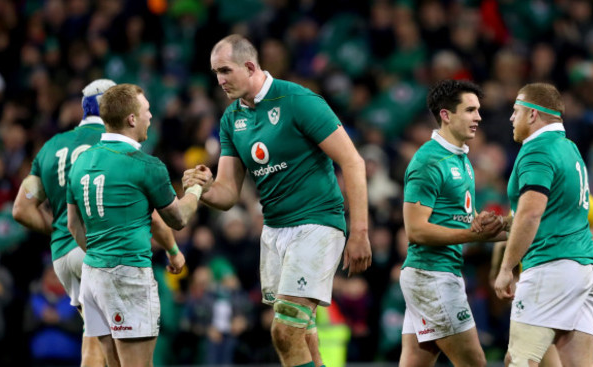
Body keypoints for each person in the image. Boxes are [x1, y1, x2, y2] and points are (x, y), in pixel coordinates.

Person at [185, 34, 371, 367]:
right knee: (303, 335)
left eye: (226, 70)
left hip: (317, 224)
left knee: (284, 331)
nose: (220, 80)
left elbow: (353, 161)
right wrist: (204, 187)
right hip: (274, 233)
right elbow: (227, 193)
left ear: (250, 65)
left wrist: (359, 232)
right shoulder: (231, 120)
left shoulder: (297, 100)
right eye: (215, 72)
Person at [65, 83, 211, 367]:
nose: (151, 116)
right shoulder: (145, 164)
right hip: (127, 277)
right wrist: (195, 189)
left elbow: (73, 225)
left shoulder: (81, 162)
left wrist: (101, 256)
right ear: (132, 119)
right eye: (146, 111)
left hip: (93, 276)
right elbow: (177, 219)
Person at [494, 83, 593, 367]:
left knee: (519, 360)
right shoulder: (570, 148)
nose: (511, 118)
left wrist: (506, 268)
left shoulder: (537, 150)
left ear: (532, 114)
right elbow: (553, 211)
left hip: (551, 264)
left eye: (515, 111)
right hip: (584, 267)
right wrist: (502, 223)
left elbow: (531, 215)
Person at [399, 79, 506, 367]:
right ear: (446, 115)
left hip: (436, 274)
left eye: (479, 110)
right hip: (431, 275)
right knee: (475, 363)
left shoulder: (462, 160)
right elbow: (417, 230)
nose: (478, 117)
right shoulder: (429, 161)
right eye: (470, 110)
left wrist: (518, 228)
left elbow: (467, 227)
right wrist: (472, 234)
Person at [12, 79, 116, 366]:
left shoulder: (51, 147)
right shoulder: (116, 144)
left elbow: (21, 208)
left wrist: (58, 228)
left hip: (64, 257)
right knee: (123, 339)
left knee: (95, 335)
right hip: (100, 250)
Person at [489, 194, 593, 366]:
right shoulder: (532, 190)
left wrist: (570, 249)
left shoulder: (557, 188)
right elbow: (513, 235)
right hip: (554, 276)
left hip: (547, 280)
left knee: (518, 358)